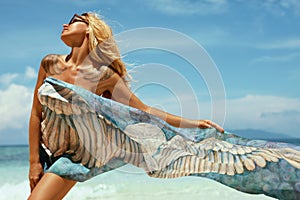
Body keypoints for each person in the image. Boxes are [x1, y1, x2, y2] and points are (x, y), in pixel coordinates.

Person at [28, 12, 225, 199]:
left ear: (90, 29)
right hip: (48, 150)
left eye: (73, 20)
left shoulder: (104, 75)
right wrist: (34, 161)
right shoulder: (49, 63)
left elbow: (143, 110)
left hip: (77, 155)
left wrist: (193, 123)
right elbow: (36, 114)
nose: (65, 24)